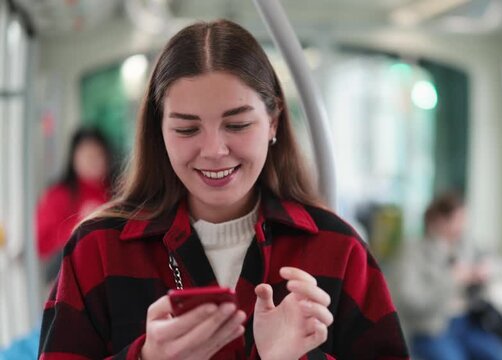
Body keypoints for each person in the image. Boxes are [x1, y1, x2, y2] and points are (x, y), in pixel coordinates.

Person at [38, 19, 409, 360]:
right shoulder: (97, 250)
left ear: (272, 122)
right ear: (160, 131)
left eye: (237, 125)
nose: (214, 151)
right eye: (187, 129)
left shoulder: (339, 250)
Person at [394, 192, 502, 360]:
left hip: (466, 324)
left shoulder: (465, 245)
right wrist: (452, 279)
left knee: (498, 354)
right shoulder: (414, 251)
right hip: (432, 329)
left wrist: (485, 269)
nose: (463, 226)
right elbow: (410, 301)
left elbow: (500, 263)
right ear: (440, 220)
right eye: (458, 220)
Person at [35, 127, 113, 260]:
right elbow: (41, 244)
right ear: (73, 158)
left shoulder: (118, 192)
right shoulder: (58, 195)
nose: (92, 160)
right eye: (87, 155)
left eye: (98, 154)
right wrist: (80, 224)